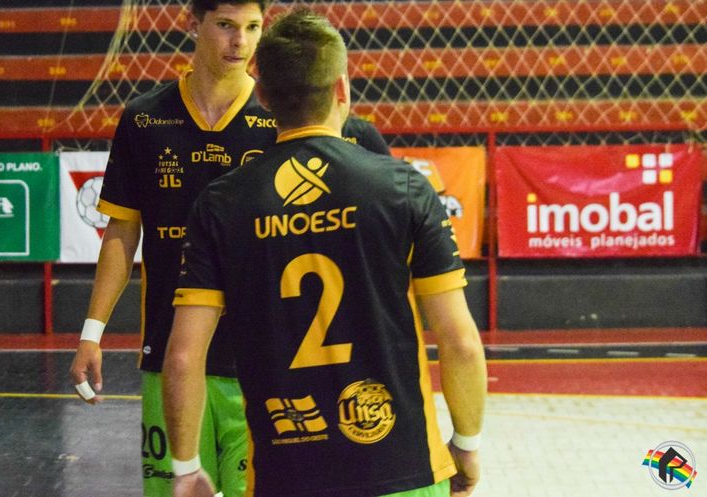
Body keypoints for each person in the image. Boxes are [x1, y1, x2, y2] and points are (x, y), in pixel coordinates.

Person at [67, 1, 390, 495]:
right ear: (193, 25)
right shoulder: (144, 119)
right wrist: (92, 333)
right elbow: (121, 231)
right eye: (225, 26)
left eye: (253, 27)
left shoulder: (283, 118)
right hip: (170, 353)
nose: (241, 41)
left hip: (265, 361)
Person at [162, 8, 487, 497]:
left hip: (284, 475)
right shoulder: (404, 188)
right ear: (342, 89)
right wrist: (467, 443)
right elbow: (459, 341)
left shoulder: (221, 204)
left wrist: (186, 467)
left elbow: (184, 356)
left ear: (263, 97)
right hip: (403, 468)